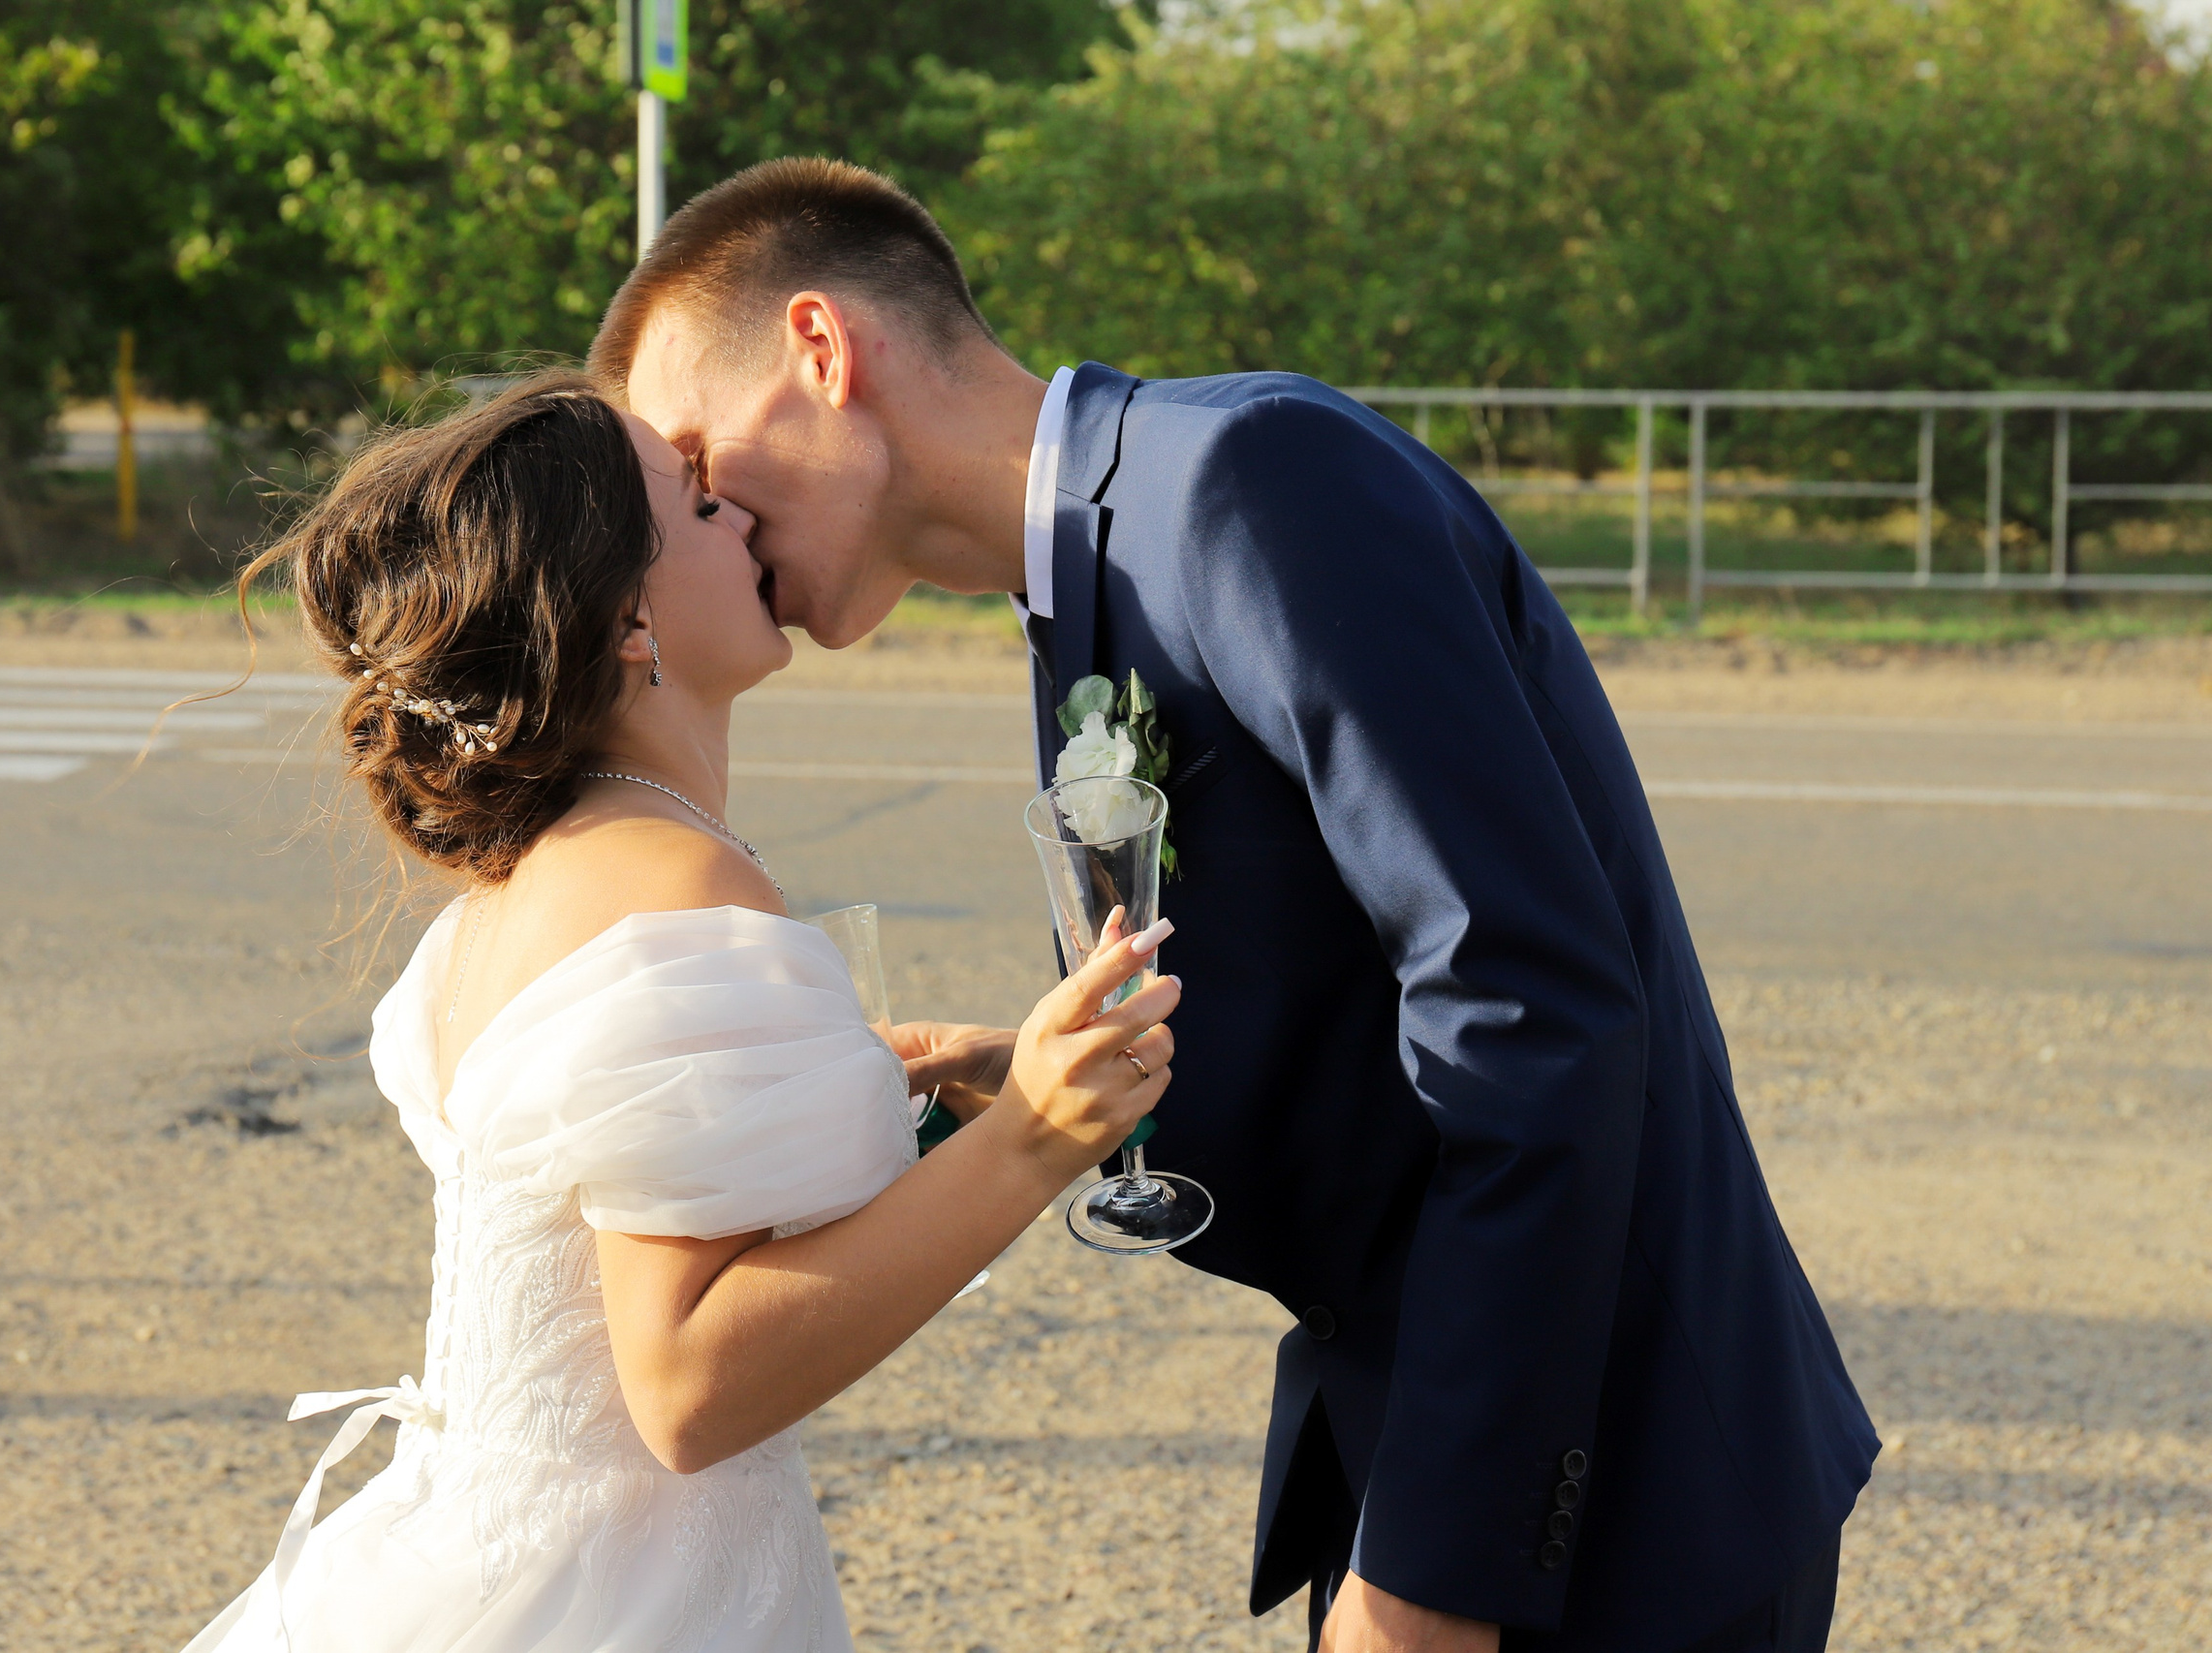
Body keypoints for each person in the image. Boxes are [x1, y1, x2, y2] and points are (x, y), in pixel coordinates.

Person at [588, 158, 1880, 1653]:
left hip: (1613, 1483)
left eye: (697, 456)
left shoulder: (1249, 483)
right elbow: (1344, 978)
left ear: (823, 348)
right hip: (1423, 1433)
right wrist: (1042, 1074)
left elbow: (1536, 1009)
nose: (706, 521)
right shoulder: (1083, 574)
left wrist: (1435, 1575)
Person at [181, 372, 1182, 1652]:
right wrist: (1035, 1133)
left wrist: (889, 1080)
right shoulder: (676, 877)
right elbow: (687, 1387)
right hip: (621, 1600)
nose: (750, 522)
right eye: (703, 504)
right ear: (627, 615)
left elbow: (616, 1193)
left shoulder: (534, 873)